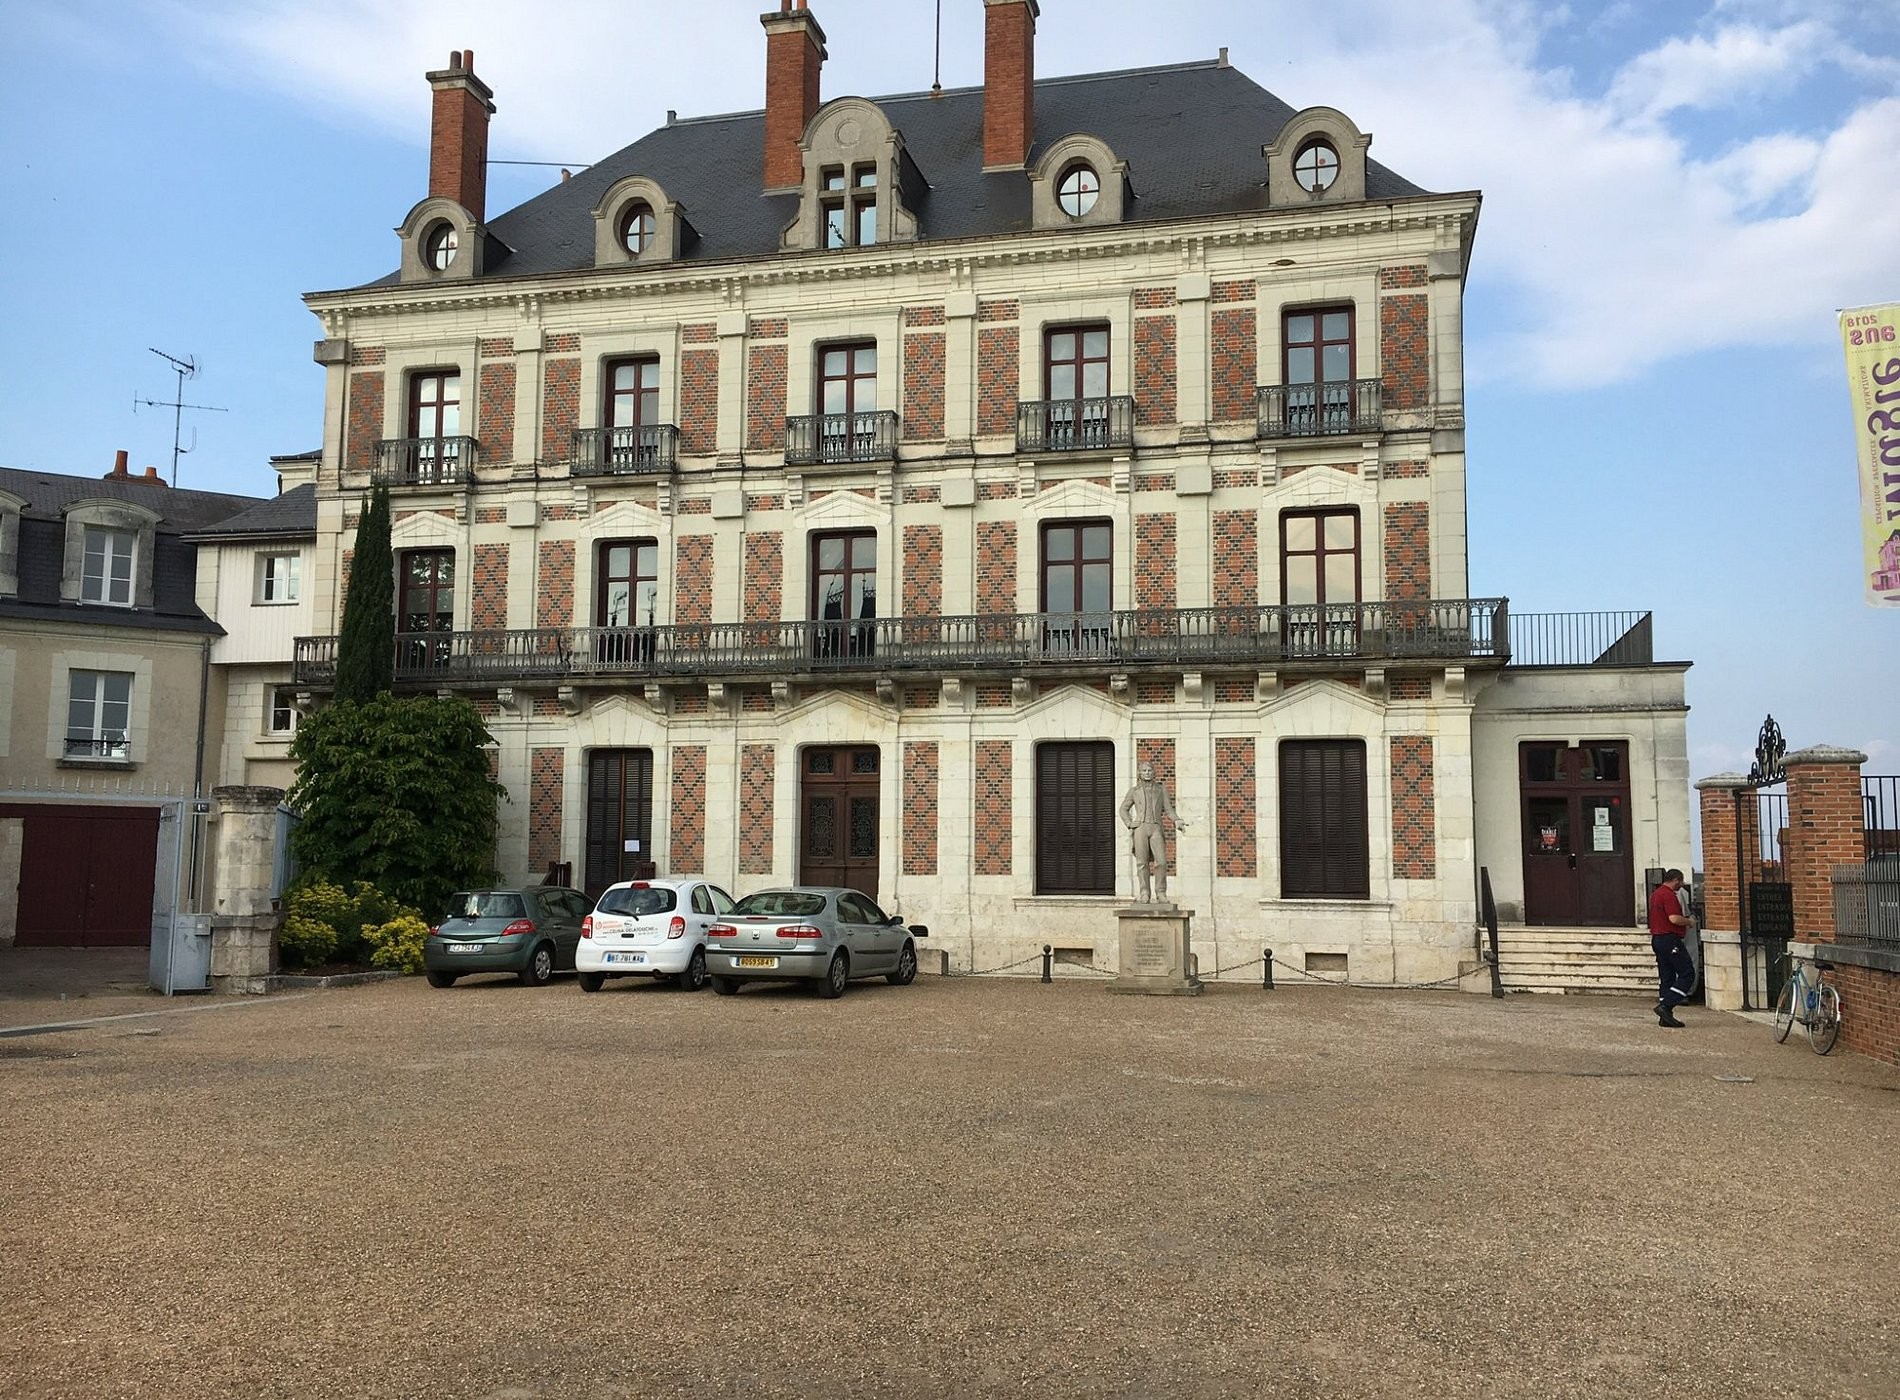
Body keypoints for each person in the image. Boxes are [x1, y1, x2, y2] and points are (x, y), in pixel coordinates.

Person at [1118, 761, 1188, 904]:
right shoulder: (1134, 791)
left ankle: (1161, 892)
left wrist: (1177, 820)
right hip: (1140, 828)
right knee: (1142, 863)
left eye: (1149, 770)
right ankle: (1144, 892)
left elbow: (1168, 809)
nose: (1147, 773)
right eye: (1144, 771)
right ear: (1139, 773)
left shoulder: (1161, 790)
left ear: (1154, 772)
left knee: (1161, 862)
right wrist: (1130, 823)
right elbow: (1123, 809)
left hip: (1156, 827)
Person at [1648, 868, 1694, 1028]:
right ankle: (1666, 1006)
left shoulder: (1655, 894)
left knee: (1666, 976)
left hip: (1657, 938)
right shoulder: (1668, 895)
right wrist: (1688, 922)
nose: (1681, 885)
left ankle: (1665, 1017)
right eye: (1680, 882)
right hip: (1670, 939)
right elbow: (1673, 918)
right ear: (1675, 879)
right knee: (1687, 973)